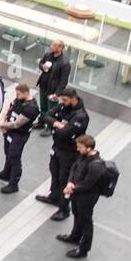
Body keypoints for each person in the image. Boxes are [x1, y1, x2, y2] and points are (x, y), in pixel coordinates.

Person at [35, 90, 90, 222]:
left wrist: (55, 124)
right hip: (57, 146)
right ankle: (54, 196)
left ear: (73, 99)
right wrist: (58, 124)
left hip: (70, 151)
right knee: (54, 171)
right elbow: (45, 115)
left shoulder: (80, 116)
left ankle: (64, 209)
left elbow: (66, 132)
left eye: (65, 100)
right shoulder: (63, 106)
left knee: (64, 179)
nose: (62, 103)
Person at [57, 134, 105, 259]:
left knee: (86, 221)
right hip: (77, 193)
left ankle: (84, 249)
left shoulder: (96, 165)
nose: (78, 149)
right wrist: (70, 182)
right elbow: (74, 168)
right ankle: (75, 236)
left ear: (89, 148)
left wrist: (72, 188)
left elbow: (88, 184)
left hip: (87, 197)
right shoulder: (83, 156)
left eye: (80, 147)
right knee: (77, 214)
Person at [0, 82, 41, 193]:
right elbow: (10, 109)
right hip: (9, 132)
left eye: (19, 94)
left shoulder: (31, 108)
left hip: (19, 135)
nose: (17, 96)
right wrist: (4, 121)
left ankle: (13, 184)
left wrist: (2, 125)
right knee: (8, 153)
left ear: (26, 93)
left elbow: (17, 124)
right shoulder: (19, 99)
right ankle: (6, 172)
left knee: (14, 157)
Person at [35, 40, 71, 131]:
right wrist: (42, 66)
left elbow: (63, 81)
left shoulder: (65, 63)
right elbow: (41, 63)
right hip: (43, 86)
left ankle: (50, 127)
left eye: (54, 45)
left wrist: (57, 93)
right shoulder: (48, 55)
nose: (51, 46)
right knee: (43, 106)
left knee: (52, 110)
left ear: (60, 48)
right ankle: (41, 122)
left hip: (53, 90)